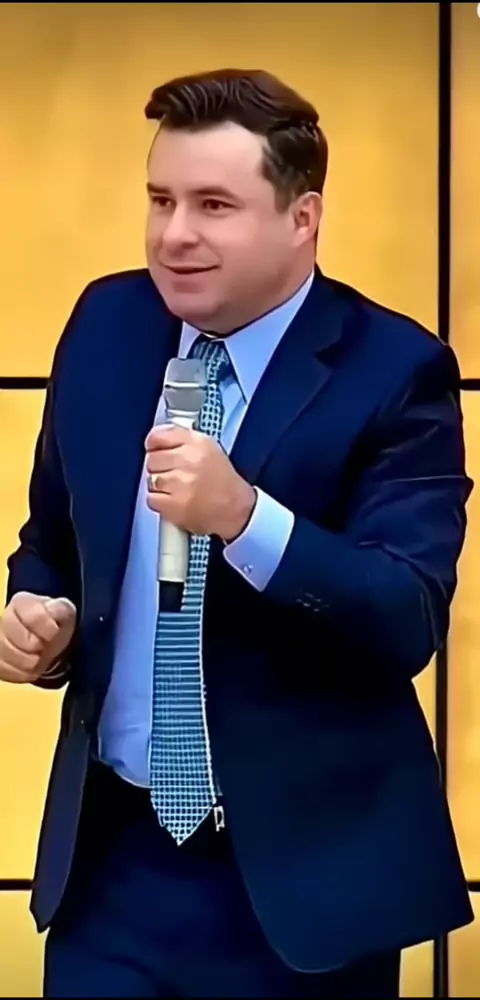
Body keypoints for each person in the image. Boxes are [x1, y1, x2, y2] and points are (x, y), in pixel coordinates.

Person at [0, 67, 474, 999]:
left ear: (303, 219)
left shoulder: (396, 369)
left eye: (213, 205)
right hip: (113, 869)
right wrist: (36, 612)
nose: (174, 234)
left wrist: (247, 520)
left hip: (303, 887)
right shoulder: (106, 323)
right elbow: (50, 537)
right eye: (161, 200)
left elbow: (405, 615)